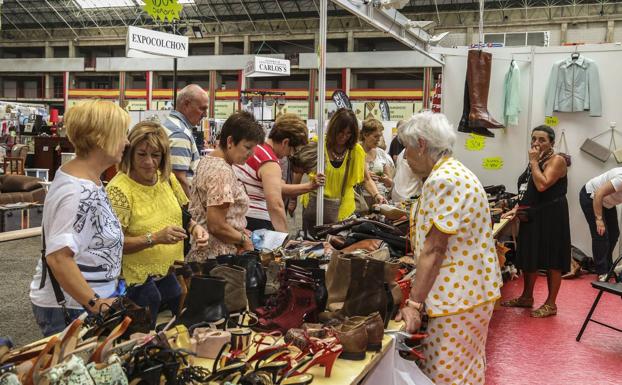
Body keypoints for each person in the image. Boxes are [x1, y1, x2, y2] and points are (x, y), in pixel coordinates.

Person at [396, 111, 501, 385]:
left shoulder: (444, 180)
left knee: (446, 375)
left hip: (457, 297)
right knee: (466, 370)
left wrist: (414, 305)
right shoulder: (453, 172)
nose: (405, 157)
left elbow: (435, 249)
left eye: (407, 148)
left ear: (420, 144)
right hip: (468, 294)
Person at [29, 100, 130, 336]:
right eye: (122, 134)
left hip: (82, 302)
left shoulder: (85, 180)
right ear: (99, 137)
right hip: (74, 307)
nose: (126, 142)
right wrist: (95, 303)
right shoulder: (77, 191)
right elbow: (59, 257)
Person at [106, 121, 209, 285]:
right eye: (141, 154)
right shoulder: (118, 190)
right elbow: (112, 244)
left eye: (155, 155)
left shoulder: (167, 179)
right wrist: (154, 238)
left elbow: (183, 216)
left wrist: (195, 228)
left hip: (175, 279)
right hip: (139, 288)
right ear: (130, 153)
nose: (149, 162)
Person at [501, 125, 570, 318]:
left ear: (551, 143)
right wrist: (516, 208)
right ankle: (526, 297)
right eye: (533, 139)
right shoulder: (537, 160)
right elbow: (527, 188)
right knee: (529, 255)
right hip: (532, 214)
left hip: (552, 216)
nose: (536, 143)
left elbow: (542, 185)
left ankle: (551, 304)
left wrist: (532, 162)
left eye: (542, 140)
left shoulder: (557, 160)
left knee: (553, 259)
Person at [187, 111, 265, 261]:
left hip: (207, 253)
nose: (251, 154)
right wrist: (243, 239)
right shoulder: (221, 171)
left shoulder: (208, 161)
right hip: (219, 257)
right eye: (247, 147)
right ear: (230, 142)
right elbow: (216, 225)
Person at [234, 113, 323, 232]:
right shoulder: (269, 162)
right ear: (285, 142)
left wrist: (309, 186)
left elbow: (277, 187)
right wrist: (284, 239)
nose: (290, 154)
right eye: (293, 150)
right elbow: (276, 204)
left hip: (242, 217)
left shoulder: (258, 148)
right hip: (256, 221)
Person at [302, 108, 386, 223]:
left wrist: (377, 195)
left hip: (343, 210)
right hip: (315, 205)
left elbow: (366, 179)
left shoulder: (356, 151)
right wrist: (292, 199)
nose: (344, 137)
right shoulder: (318, 144)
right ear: (333, 129)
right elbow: (299, 169)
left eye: (348, 133)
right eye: (340, 132)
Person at [162, 84, 207, 197]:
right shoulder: (180, 133)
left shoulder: (171, 125)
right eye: (202, 108)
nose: (205, 114)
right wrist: (192, 209)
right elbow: (179, 180)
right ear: (186, 104)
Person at [580, 168, 622, 281]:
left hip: (607, 203)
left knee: (614, 234)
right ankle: (602, 272)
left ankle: (608, 267)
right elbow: (599, 193)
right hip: (591, 196)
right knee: (601, 234)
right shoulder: (621, 178)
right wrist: (599, 219)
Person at [360, 118, 394, 202]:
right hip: (360, 199)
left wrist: (384, 179)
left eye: (380, 136)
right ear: (365, 135)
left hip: (381, 198)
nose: (378, 139)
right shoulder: (356, 152)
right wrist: (364, 176)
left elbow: (390, 183)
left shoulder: (381, 153)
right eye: (375, 136)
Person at [391, 121, 422, 204]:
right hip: (398, 203)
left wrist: (413, 200)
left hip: (410, 202)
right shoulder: (402, 152)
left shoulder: (420, 155)